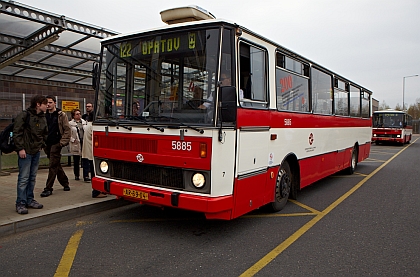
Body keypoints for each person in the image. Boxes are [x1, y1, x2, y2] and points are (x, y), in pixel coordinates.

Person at [13, 95, 48, 214]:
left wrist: (41, 144)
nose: (47, 105)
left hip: (35, 151)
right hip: (25, 151)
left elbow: (44, 132)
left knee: (32, 177)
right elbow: (17, 132)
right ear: (38, 104)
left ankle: (29, 199)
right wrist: (20, 148)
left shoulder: (42, 117)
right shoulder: (24, 115)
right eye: (45, 103)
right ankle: (20, 203)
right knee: (23, 178)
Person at [40, 95, 71, 197]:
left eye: (50, 102)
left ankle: (48, 188)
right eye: (46, 103)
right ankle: (65, 182)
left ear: (54, 103)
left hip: (56, 143)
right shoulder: (43, 115)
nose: (48, 105)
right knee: (56, 164)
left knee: (52, 165)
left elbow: (67, 129)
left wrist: (62, 143)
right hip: (47, 143)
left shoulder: (61, 115)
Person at [82, 118, 107, 198]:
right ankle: (96, 192)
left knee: (94, 171)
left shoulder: (88, 125)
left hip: (89, 152)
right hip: (92, 152)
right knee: (95, 173)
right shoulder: (93, 126)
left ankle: (98, 190)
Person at [68, 108, 87, 181]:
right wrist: (72, 139)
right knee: (76, 160)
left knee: (85, 158)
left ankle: (86, 175)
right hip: (76, 142)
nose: (79, 115)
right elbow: (68, 133)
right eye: (77, 114)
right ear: (73, 116)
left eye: (79, 114)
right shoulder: (70, 124)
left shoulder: (84, 122)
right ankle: (76, 175)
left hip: (84, 141)